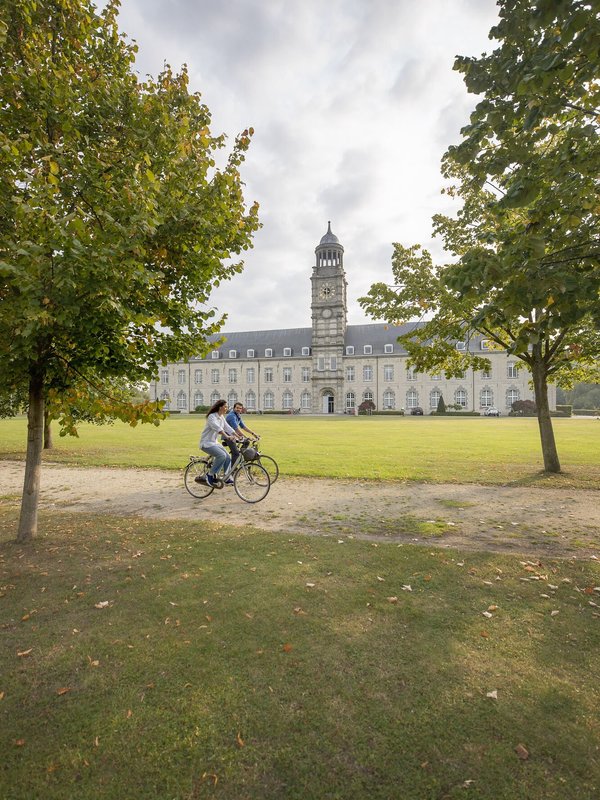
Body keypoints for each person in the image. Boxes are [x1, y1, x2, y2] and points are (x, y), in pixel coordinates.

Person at [199, 400, 237, 487]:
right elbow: (217, 428)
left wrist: (238, 436)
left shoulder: (221, 417)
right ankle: (210, 475)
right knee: (221, 456)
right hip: (206, 443)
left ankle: (227, 477)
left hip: (214, 442)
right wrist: (227, 437)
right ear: (220, 407)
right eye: (225, 407)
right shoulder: (211, 417)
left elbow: (227, 427)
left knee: (227, 457)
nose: (227, 408)